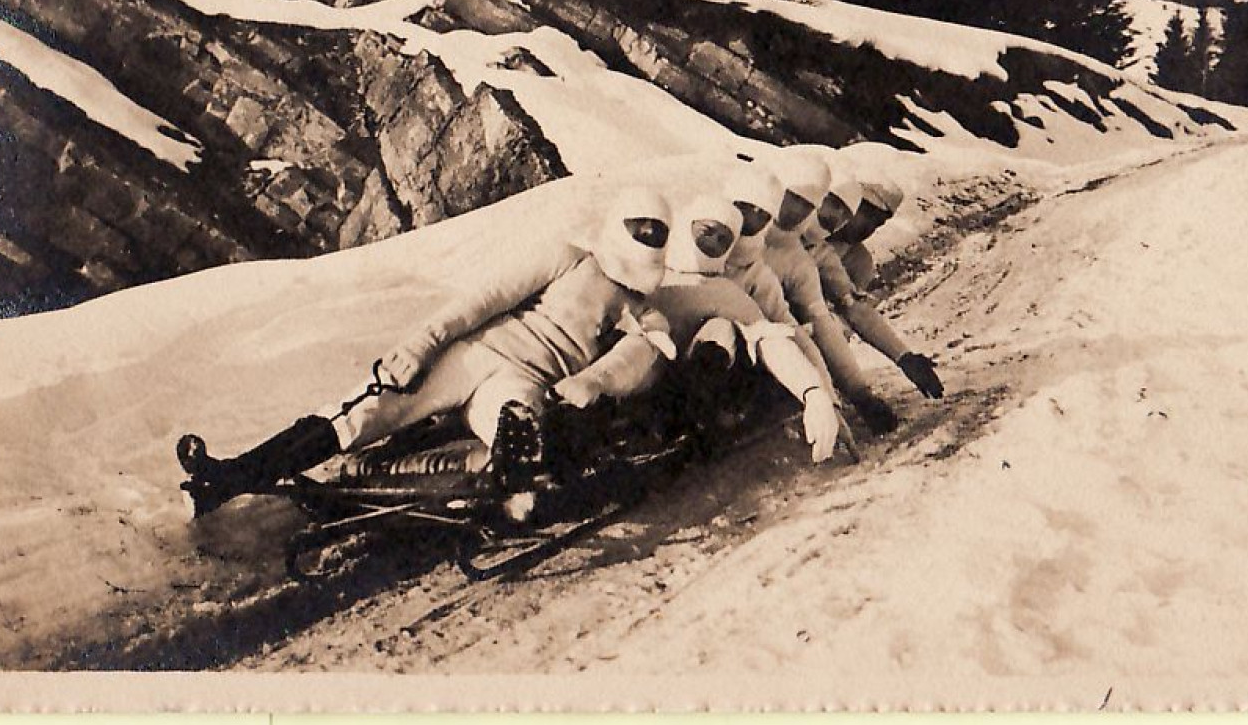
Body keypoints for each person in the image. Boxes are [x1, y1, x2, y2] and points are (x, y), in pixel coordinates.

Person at [176, 187, 676, 516]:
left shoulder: (645, 308)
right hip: (476, 352)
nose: (646, 237)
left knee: (517, 419)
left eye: (657, 232)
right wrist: (422, 344)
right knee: (364, 413)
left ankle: (512, 487)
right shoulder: (569, 257)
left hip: (526, 380)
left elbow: (641, 359)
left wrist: (592, 383)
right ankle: (227, 476)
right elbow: (485, 299)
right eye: (640, 226)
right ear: (619, 222)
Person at [559, 192, 844, 463]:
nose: (714, 241)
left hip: (681, 382)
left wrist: (816, 393)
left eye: (724, 239)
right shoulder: (646, 269)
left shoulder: (725, 292)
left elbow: (771, 338)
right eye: (708, 230)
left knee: (721, 329)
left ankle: (693, 423)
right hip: (623, 370)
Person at [759, 149, 904, 433]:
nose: (837, 218)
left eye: (879, 223)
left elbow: (840, 311)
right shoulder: (758, 221)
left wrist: (861, 393)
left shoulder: (824, 258)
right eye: (867, 215)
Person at [807, 177, 946, 404]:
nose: (868, 229)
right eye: (867, 216)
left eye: (878, 223)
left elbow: (854, 310)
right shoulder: (800, 224)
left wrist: (904, 357)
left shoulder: (858, 261)